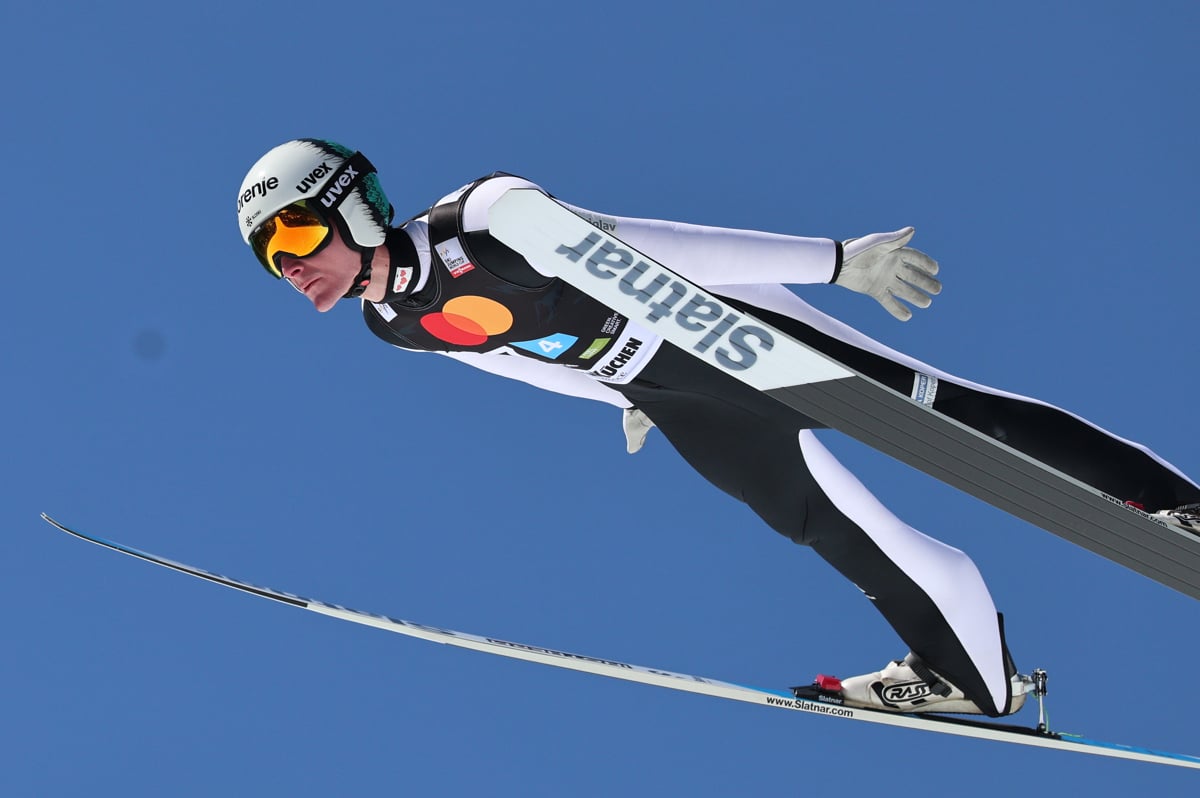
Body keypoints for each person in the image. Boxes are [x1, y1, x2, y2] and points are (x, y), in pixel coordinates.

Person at [236, 138, 1200, 718]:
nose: (293, 268)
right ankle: (969, 672)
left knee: (948, 417)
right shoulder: (392, 322)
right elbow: (515, 361)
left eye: (296, 238)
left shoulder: (486, 218)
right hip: (668, 388)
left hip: (719, 326)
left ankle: (1174, 511)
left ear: (353, 207)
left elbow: (647, 249)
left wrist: (831, 263)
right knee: (820, 523)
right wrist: (620, 399)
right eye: (272, 262)